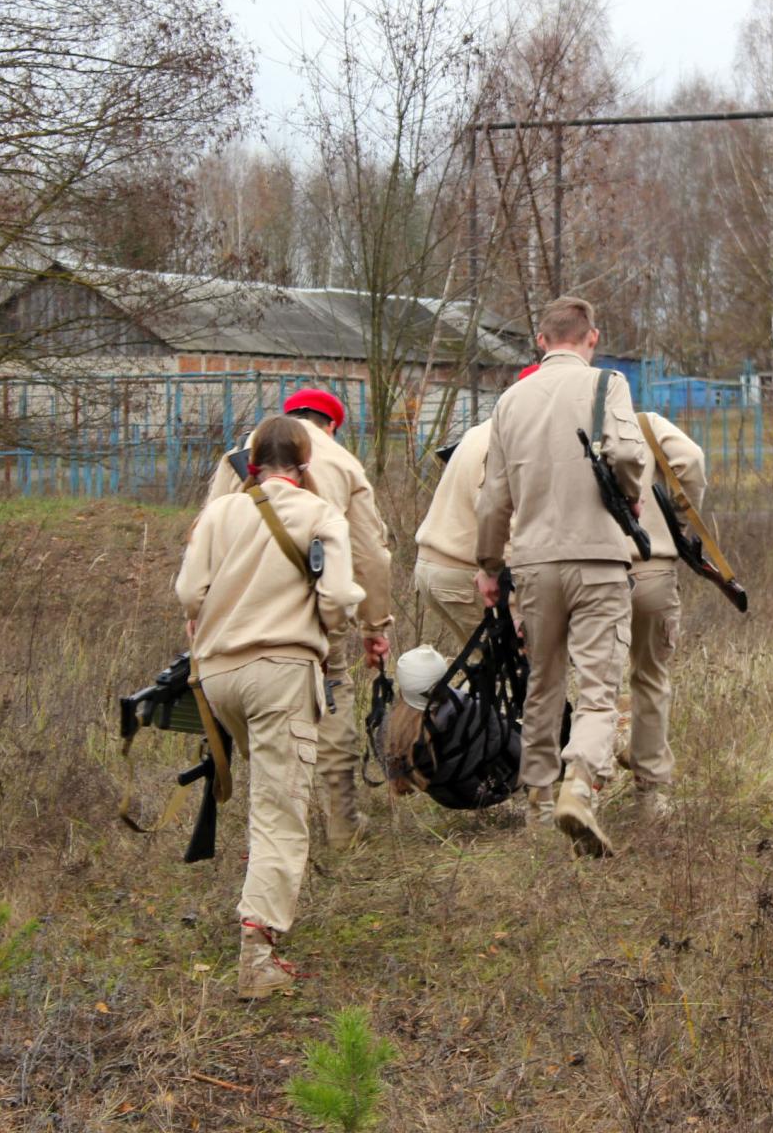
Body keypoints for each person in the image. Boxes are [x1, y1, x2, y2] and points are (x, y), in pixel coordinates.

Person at [177, 415, 364, 999]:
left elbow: (188, 593)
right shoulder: (319, 514)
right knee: (282, 809)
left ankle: (258, 889)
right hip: (282, 675)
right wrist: (330, 620)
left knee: (267, 792)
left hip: (219, 677)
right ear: (305, 463)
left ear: (251, 461)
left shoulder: (220, 511)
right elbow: (336, 598)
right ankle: (257, 953)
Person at [474, 296, 648, 856]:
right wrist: (630, 496)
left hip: (532, 563)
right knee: (597, 691)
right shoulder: (608, 386)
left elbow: (494, 496)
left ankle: (538, 803)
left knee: (542, 684)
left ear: (542, 340)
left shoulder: (509, 401)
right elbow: (625, 453)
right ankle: (581, 784)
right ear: (591, 337)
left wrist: (487, 566)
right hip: (598, 557)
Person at [204, 388, 393, 851]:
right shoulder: (343, 462)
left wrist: (201, 613)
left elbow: (205, 534)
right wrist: (374, 626)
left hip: (235, 619)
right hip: (315, 616)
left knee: (260, 720)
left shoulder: (238, 455)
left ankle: (281, 818)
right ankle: (341, 824)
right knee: (331, 700)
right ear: (330, 425)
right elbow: (370, 554)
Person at [413, 365, 539, 650]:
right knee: (520, 673)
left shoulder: (484, 429)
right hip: (466, 571)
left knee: (484, 670)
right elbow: (502, 519)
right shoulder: (516, 438)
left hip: (438, 566)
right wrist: (517, 602)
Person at [620, 412, 707, 817]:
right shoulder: (643, 421)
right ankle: (650, 795)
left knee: (590, 679)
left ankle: (581, 783)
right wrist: (675, 515)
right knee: (650, 677)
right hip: (652, 565)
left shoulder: (561, 414)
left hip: (589, 567)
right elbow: (690, 459)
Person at [383, 645, 522, 810]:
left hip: (451, 798)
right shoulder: (473, 707)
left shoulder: (394, 731)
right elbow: (511, 745)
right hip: (498, 787)